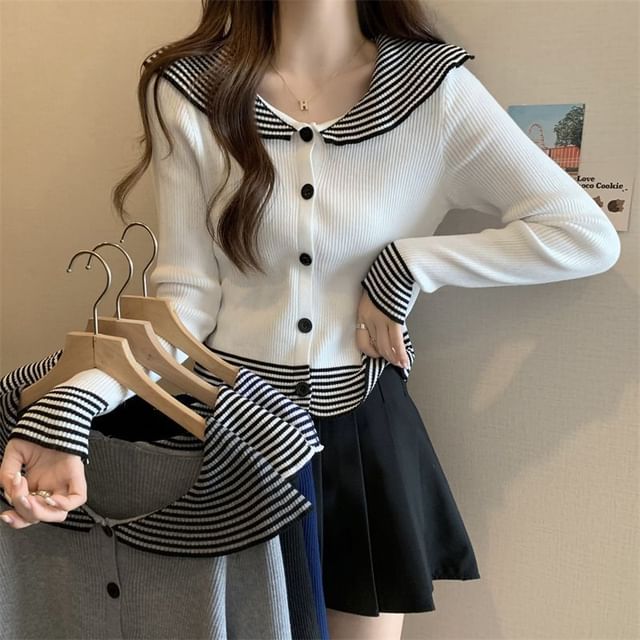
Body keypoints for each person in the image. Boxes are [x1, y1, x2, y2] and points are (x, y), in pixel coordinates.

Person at [0, 1, 621, 639]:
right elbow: (185, 301)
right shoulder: (188, 90)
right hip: (227, 436)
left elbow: (583, 235)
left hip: (360, 437)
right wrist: (73, 403)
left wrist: (411, 264)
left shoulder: (435, 90)